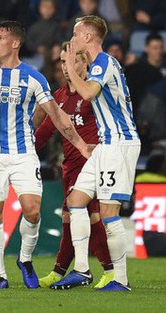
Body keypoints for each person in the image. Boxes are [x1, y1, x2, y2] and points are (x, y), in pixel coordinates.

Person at [0, 20, 92, 290]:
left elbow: (56, 114)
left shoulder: (33, 77)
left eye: (1, 37)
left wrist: (80, 145)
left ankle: (25, 259)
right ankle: (0, 276)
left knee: (32, 212)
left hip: (23, 154)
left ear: (16, 43)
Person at [50, 15, 140, 292]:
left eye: (76, 34)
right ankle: (81, 269)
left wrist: (68, 65)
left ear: (88, 37)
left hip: (120, 144)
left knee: (109, 212)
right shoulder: (99, 64)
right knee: (76, 200)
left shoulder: (104, 62)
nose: (73, 39)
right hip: (105, 145)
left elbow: (87, 92)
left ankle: (121, 280)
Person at [33, 42, 113, 289]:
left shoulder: (95, 93)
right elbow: (46, 131)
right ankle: (60, 271)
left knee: (93, 215)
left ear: (85, 63)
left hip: (92, 163)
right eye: (62, 61)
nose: (67, 67)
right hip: (69, 165)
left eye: (73, 61)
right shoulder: (59, 96)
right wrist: (24, 153)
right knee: (69, 217)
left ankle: (109, 270)